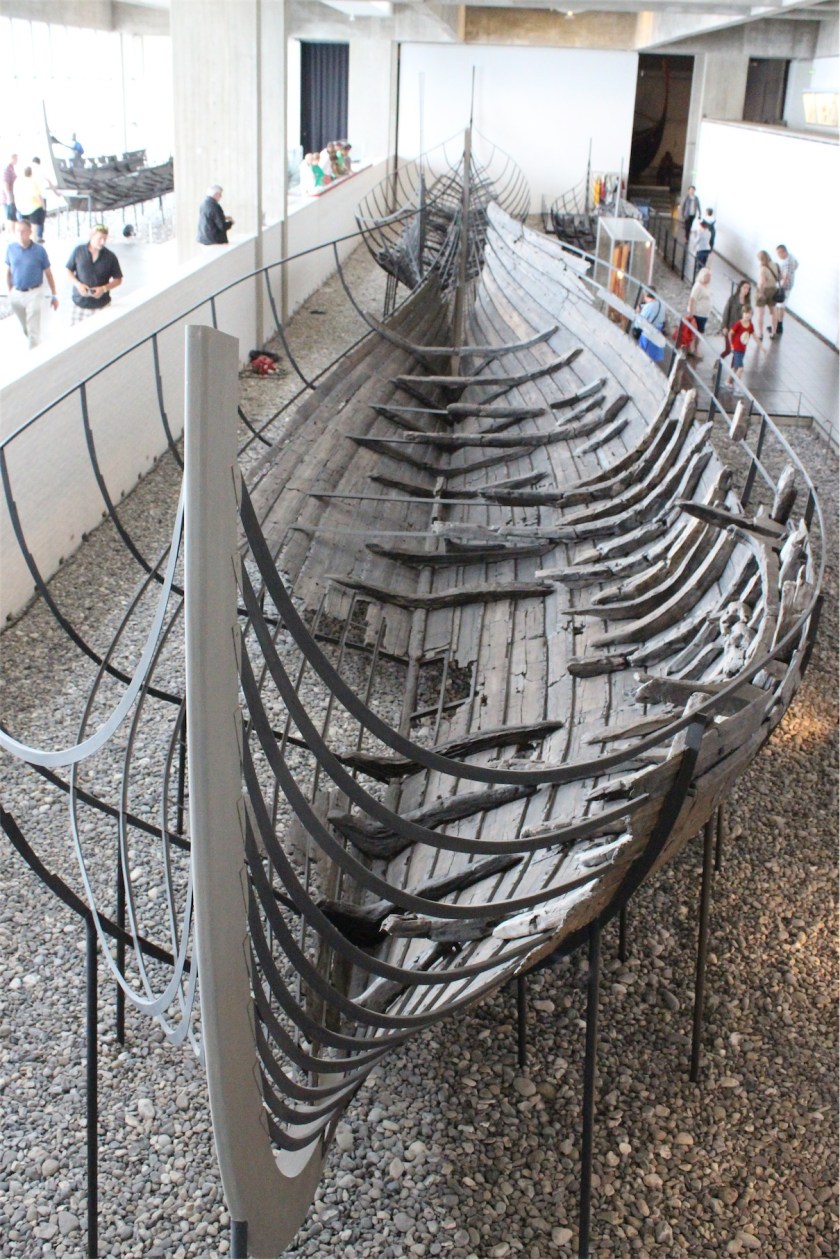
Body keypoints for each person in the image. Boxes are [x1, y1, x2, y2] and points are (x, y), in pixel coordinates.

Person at [4, 217, 59, 348]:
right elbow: (8, 271)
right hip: (17, 292)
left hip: (34, 292)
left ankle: (34, 352)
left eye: (23, 231)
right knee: (26, 327)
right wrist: (9, 290)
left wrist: (54, 294)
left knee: (33, 327)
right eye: (18, 231)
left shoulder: (39, 251)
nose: (20, 234)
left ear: (30, 232)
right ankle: (35, 344)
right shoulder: (11, 249)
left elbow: (48, 273)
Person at [66, 223, 123, 324]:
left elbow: (118, 279)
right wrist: (78, 285)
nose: (102, 242)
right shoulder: (78, 251)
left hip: (101, 305)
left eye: (105, 238)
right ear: (91, 236)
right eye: (100, 238)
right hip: (79, 304)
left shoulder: (110, 256)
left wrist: (103, 289)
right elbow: (68, 270)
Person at [771, 244, 798, 338]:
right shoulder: (791, 257)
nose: (778, 256)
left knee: (780, 306)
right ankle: (778, 325)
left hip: (785, 288)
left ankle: (779, 326)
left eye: (779, 253)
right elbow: (797, 264)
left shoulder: (787, 262)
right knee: (781, 306)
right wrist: (792, 273)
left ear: (783, 252)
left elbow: (785, 277)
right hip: (789, 286)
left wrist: (780, 288)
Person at [719, 280, 751, 359]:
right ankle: (719, 361)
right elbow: (726, 312)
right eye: (744, 287)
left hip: (740, 331)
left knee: (737, 352)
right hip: (730, 328)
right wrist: (724, 326)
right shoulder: (733, 299)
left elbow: (749, 316)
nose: (746, 290)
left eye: (748, 288)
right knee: (728, 350)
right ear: (740, 288)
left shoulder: (748, 302)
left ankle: (734, 367)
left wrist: (748, 330)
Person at [685, 267, 713, 356]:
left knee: (700, 332)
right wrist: (691, 312)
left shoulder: (707, 286)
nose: (708, 278)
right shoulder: (698, 286)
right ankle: (689, 348)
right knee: (693, 332)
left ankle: (696, 348)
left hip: (704, 314)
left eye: (709, 276)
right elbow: (692, 299)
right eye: (707, 276)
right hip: (697, 313)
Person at [12, 166, 45, 239]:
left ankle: (24, 242)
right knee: (33, 229)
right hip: (34, 208)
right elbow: (38, 196)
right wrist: (43, 206)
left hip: (22, 208)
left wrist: (17, 206)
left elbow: (15, 195)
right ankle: (33, 242)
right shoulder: (33, 182)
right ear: (31, 173)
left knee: (24, 229)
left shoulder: (17, 183)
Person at [754, 249, 780, 339]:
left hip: (763, 291)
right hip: (773, 290)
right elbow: (780, 277)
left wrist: (761, 293)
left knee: (760, 313)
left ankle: (760, 334)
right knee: (773, 312)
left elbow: (762, 282)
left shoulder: (763, 269)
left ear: (761, 259)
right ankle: (773, 332)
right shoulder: (775, 265)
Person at [633, 293, 666, 363]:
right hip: (658, 330)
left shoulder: (649, 306)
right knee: (653, 355)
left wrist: (637, 313)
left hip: (649, 333)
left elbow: (639, 321)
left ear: (646, 296)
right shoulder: (661, 304)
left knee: (644, 354)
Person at [727, 305, 753, 385]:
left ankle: (727, 382)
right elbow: (730, 333)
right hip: (737, 348)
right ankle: (736, 384)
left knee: (735, 367)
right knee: (740, 368)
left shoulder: (750, 325)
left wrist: (762, 347)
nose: (747, 315)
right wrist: (731, 345)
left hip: (742, 349)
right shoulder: (738, 324)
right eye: (746, 313)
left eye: (749, 313)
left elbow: (754, 336)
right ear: (742, 314)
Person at [3, 153, 18, 230]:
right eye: (16, 159)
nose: (17, 161)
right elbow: (5, 183)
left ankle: (12, 231)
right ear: (12, 158)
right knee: (11, 216)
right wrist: (9, 197)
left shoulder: (11, 168)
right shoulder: (7, 169)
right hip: (8, 197)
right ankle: (11, 233)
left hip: (11, 195)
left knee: (12, 215)